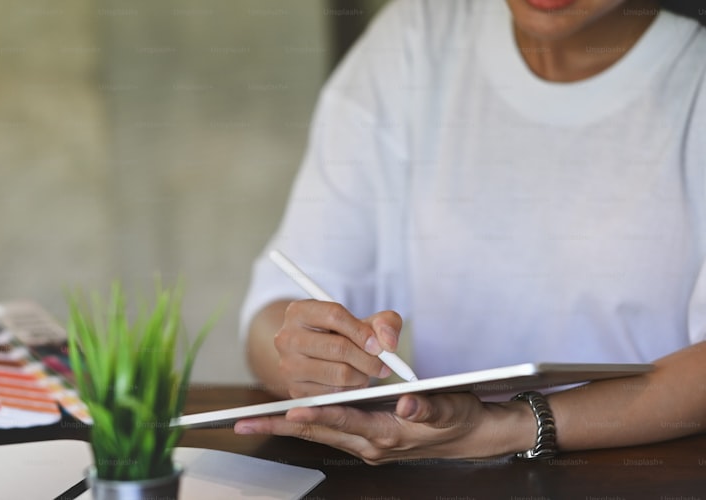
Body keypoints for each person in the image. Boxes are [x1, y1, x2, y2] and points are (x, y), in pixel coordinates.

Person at [234, 0, 706, 464]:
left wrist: (510, 426)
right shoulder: (419, 38)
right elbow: (275, 313)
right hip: (441, 477)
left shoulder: (692, 72)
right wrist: (312, 362)